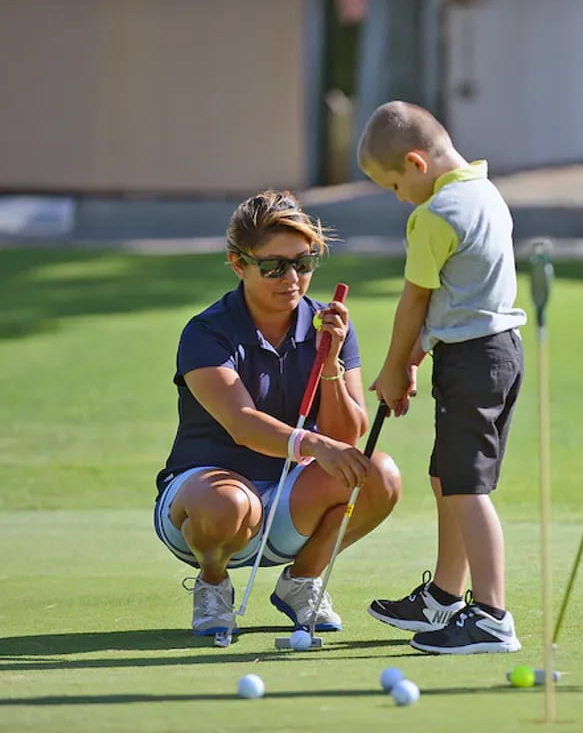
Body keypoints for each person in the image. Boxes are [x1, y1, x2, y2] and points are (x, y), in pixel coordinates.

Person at [153, 189, 401, 640]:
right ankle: (212, 583)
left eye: (303, 264)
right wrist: (313, 444)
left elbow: (346, 435)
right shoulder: (207, 332)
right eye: (273, 266)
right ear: (238, 264)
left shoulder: (331, 326)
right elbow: (242, 423)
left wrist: (330, 363)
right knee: (230, 502)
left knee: (378, 473)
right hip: (204, 504)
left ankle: (302, 580)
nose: (291, 278)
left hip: (288, 503)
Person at [356, 100, 526, 654]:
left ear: (415, 163)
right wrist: (415, 362)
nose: (397, 196)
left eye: (392, 185)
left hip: (472, 361)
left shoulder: (433, 215)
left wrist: (392, 367)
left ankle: (492, 615)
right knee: (447, 476)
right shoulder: (486, 193)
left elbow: (415, 303)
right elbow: (459, 300)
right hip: (498, 353)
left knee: (466, 487)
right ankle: (446, 598)